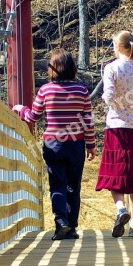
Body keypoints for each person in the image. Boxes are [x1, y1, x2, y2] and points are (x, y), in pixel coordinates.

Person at [13, 49, 97, 240]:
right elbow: (88, 121)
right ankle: (72, 226)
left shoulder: (46, 90)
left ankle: (61, 224)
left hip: (53, 145)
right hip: (76, 145)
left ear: (52, 69)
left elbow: (34, 116)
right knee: (73, 187)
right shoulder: (81, 90)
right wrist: (91, 144)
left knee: (57, 184)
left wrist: (21, 109)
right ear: (72, 68)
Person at [95, 31, 133, 238]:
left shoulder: (111, 68)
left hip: (117, 128)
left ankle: (121, 209)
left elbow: (109, 96)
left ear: (119, 47)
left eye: (113, 45)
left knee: (116, 173)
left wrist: (112, 102)